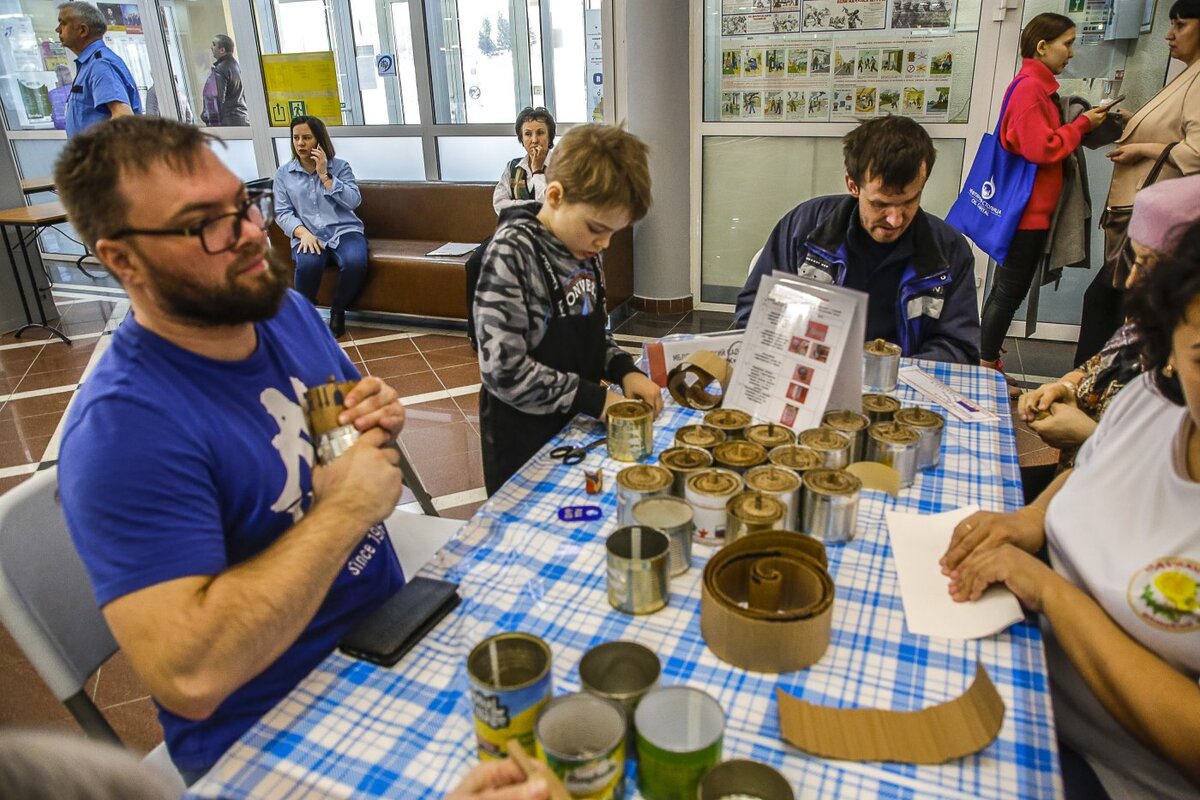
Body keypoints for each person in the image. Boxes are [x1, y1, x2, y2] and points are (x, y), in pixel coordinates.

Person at [52, 116, 407, 782]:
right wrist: (344, 511)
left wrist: (372, 422)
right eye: (203, 225)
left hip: (389, 630)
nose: (249, 233)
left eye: (244, 204)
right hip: (272, 729)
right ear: (122, 260)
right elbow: (192, 676)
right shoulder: (122, 433)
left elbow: (338, 445)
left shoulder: (281, 311)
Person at [941, 218, 1200, 799]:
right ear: (1167, 345)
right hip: (1032, 685)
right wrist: (1029, 521)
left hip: (1110, 773)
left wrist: (1050, 592)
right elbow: (1092, 471)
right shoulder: (1149, 404)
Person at [475, 123, 663, 495]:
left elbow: (594, 334)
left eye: (613, 232)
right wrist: (596, 399)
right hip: (523, 439)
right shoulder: (512, 253)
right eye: (597, 228)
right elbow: (503, 371)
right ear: (556, 195)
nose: (604, 243)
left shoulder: (584, 249)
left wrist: (623, 370)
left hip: (577, 424)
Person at [735, 115, 980, 364]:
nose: (895, 219)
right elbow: (754, 312)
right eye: (880, 204)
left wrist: (888, 369)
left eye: (909, 201)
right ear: (852, 185)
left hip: (903, 377)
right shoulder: (804, 228)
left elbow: (960, 347)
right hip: (811, 368)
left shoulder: (948, 251)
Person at [1017, 174, 1200, 462]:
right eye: (1133, 261)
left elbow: (1168, 470)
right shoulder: (1141, 329)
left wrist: (1090, 436)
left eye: (1148, 265)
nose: (1131, 280)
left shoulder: (1188, 364)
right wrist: (1064, 388)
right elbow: (1095, 367)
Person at [979, 14, 1109, 386]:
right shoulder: (1030, 89)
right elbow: (1041, 148)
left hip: (1030, 211)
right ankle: (985, 365)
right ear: (1042, 46)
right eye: (1067, 43)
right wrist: (1081, 125)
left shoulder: (1036, 87)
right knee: (1009, 292)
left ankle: (986, 359)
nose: (1071, 52)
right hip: (1027, 214)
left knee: (1006, 290)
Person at [1076, 0, 1200, 364]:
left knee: (1107, 302)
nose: (1169, 35)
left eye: (1180, 25)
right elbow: (1174, 128)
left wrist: (1142, 148)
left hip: (1161, 223)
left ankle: (1088, 384)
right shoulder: (1188, 74)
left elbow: (1196, 151)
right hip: (1142, 216)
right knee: (1111, 304)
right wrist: (1133, 122)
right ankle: (1092, 382)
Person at [274, 114, 369, 337]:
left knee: (355, 262)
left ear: (319, 139)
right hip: (308, 234)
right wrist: (302, 233)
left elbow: (353, 201)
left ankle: (338, 310)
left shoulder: (341, 167)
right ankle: (305, 316)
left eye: (307, 138)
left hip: (344, 230)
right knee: (308, 264)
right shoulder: (283, 174)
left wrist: (325, 176)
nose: (300, 143)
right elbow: (282, 212)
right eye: (296, 138)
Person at [56, 1, 141, 139]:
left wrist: (97, 150)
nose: (58, 29)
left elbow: (123, 118)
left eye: (63, 23)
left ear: (83, 30)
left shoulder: (100, 65)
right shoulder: (88, 64)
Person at [493, 106, 556, 213]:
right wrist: (532, 206)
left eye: (540, 133)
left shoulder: (562, 165)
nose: (534, 140)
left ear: (550, 137)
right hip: (518, 224)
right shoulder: (512, 166)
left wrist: (537, 170)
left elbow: (553, 204)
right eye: (528, 134)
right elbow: (499, 203)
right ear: (521, 139)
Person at [201, 34, 249, 127]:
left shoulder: (221, 68)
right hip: (241, 119)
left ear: (222, 50)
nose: (211, 47)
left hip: (229, 122)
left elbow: (215, 98)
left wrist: (207, 117)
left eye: (214, 44)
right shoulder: (235, 65)